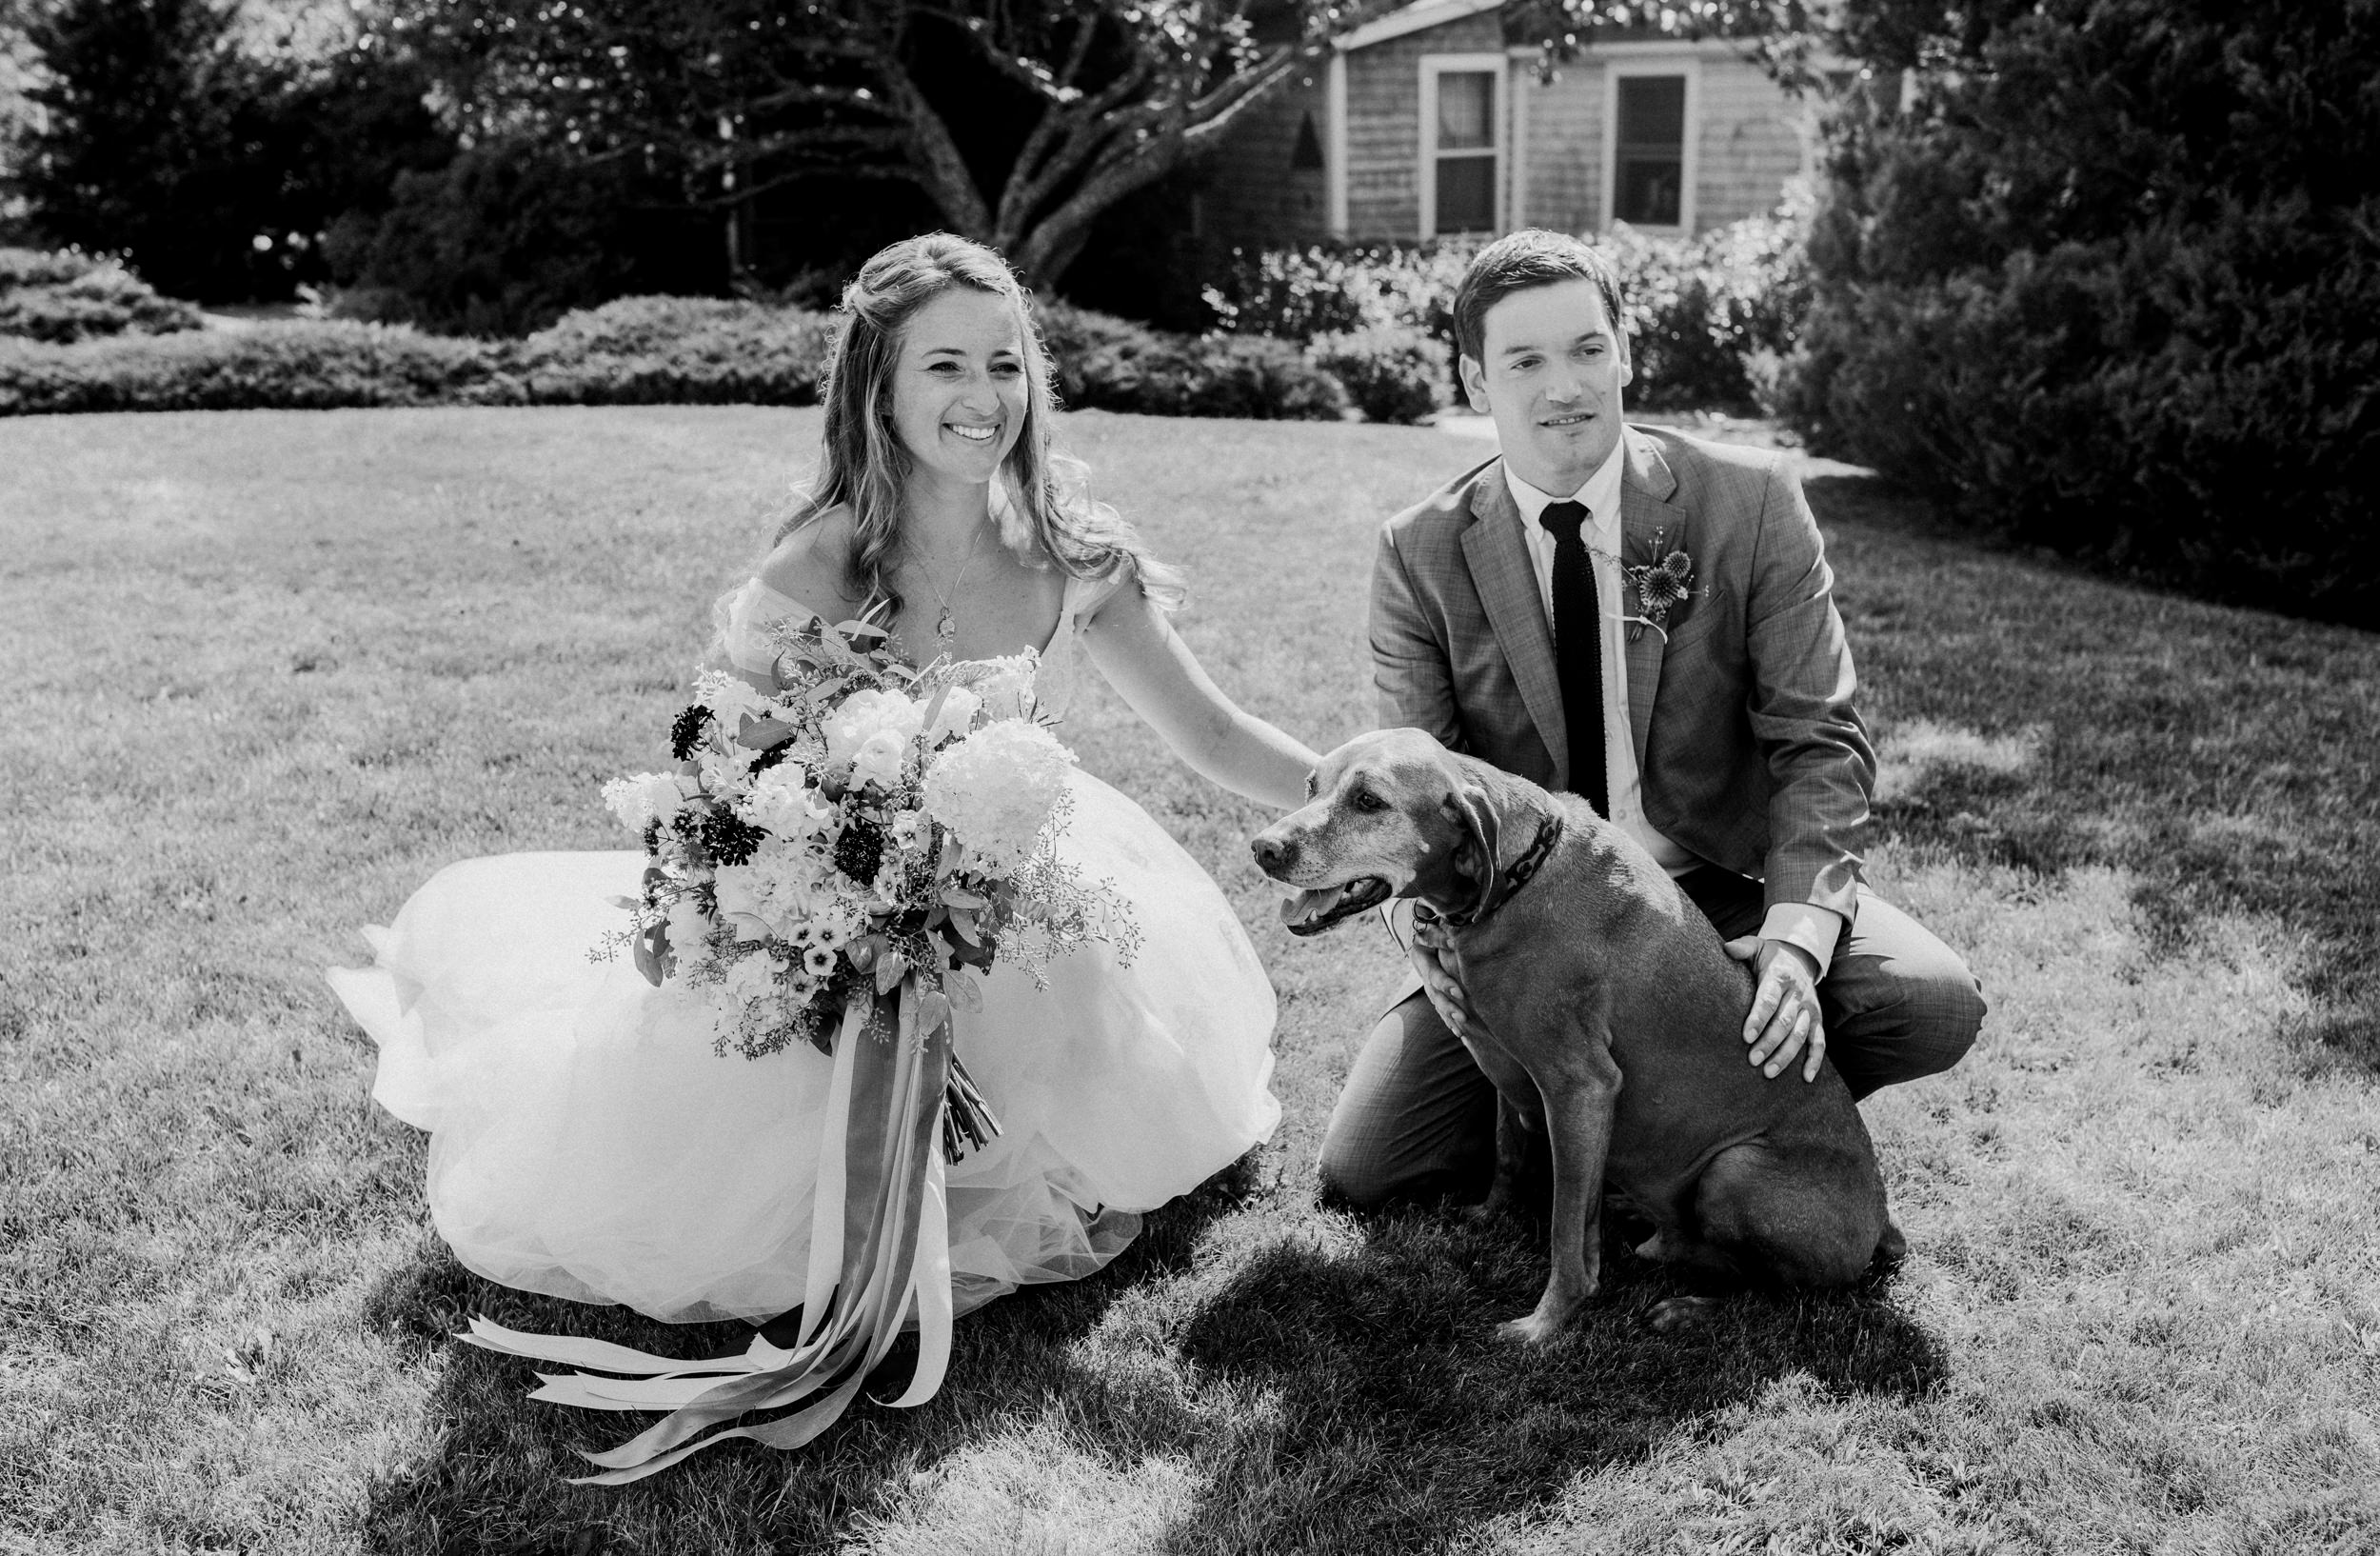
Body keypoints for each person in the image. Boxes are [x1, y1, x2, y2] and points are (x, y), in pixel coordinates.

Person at [328, 233, 1317, 1330]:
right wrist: (810, 887)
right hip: (843, 909)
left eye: (1004, 363)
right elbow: (722, 769)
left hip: (1027, 895)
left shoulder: (1073, 556)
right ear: (878, 387)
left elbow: (1216, 735)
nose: (984, 395)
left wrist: (1363, 786)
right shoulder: (818, 564)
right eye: (945, 365)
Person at [1321, 229, 1986, 1208]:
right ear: (1473, 380)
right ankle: (1620, 1106)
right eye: (1525, 360)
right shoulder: (1418, 553)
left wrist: (1797, 943)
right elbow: (1425, 810)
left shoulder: (1748, 501)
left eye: (1589, 349)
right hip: (1518, 920)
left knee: (1927, 1001)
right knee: (1370, 1168)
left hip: (1715, 889)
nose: (1566, 387)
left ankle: (1731, 1115)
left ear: (1623, 351)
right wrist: (1450, 965)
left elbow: (1820, 744)